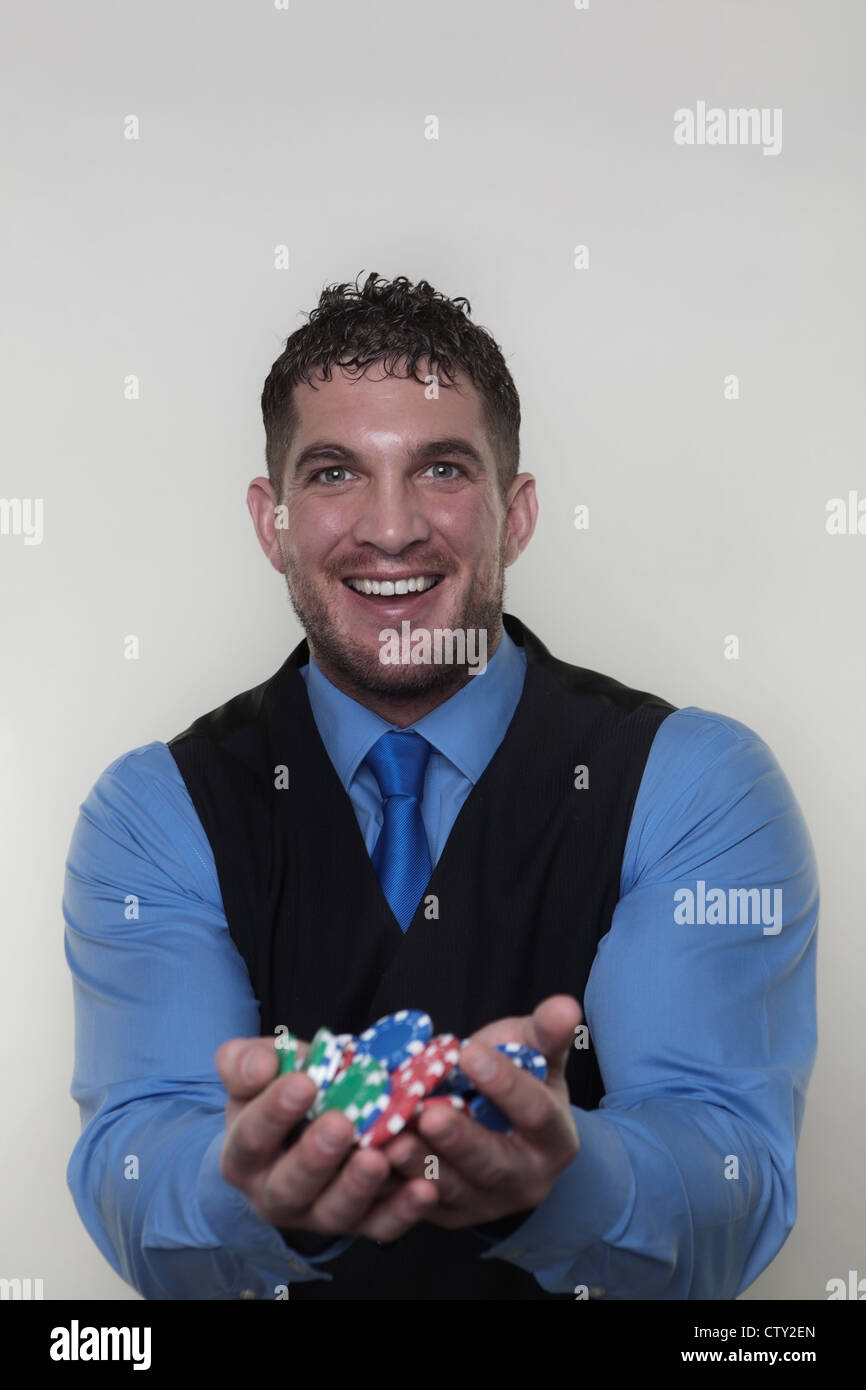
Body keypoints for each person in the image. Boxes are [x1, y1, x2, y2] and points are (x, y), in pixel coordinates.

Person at [64, 272, 818, 1301]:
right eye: (333, 471)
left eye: (440, 469)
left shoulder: (694, 784)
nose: (389, 529)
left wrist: (563, 1175)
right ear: (271, 520)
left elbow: (728, 1172)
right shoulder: (157, 811)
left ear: (515, 514)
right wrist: (240, 1182)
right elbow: (138, 1160)